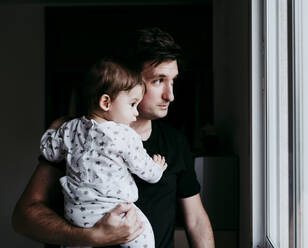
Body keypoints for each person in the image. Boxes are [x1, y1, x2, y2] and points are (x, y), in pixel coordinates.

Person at [12, 27, 215, 248]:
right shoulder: (76, 133)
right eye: (158, 80)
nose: (170, 95)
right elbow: (24, 218)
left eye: (173, 80)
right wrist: (89, 237)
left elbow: (196, 222)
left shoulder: (175, 143)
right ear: (130, 79)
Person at [39, 59, 168, 248]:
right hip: (114, 210)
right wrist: (157, 168)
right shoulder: (124, 135)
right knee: (142, 231)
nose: (136, 113)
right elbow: (145, 171)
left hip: (77, 214)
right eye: (132, 104)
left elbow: (48, 152)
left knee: (77, 241)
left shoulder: (70, 128)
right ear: (106, 102)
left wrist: (52, 129)